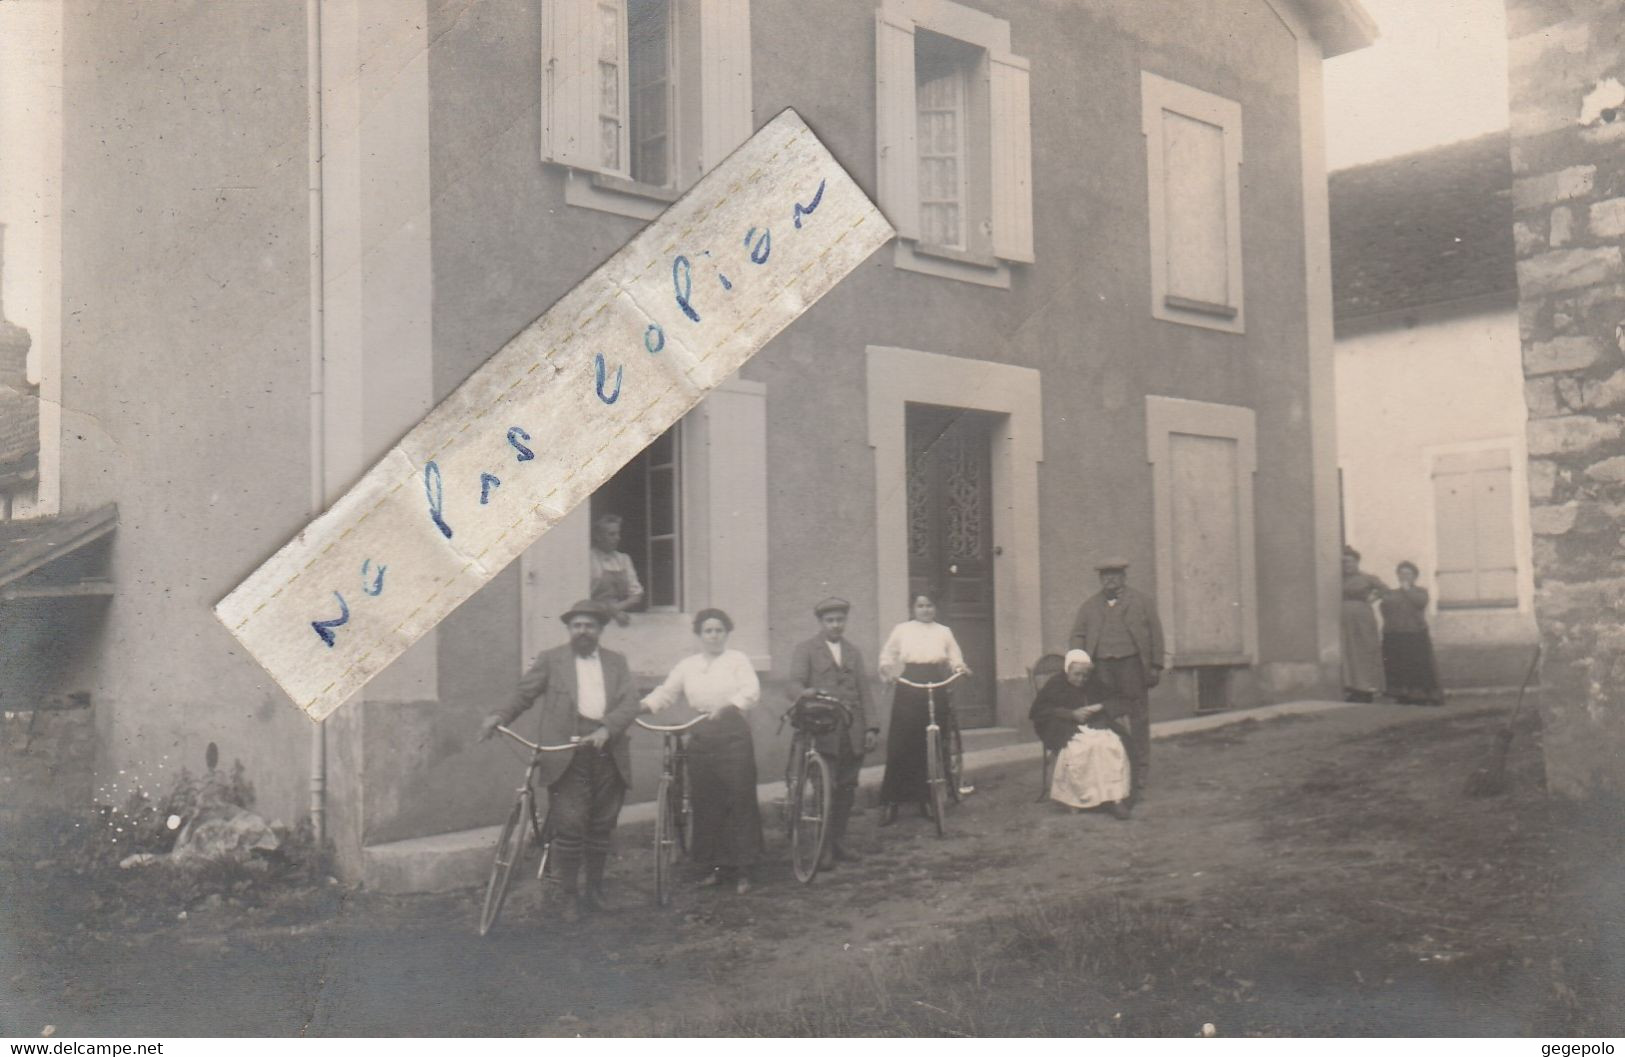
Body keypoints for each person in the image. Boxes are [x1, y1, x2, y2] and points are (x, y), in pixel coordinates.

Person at [477, 599, 640, 914]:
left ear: (600, 630)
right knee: (570, 825)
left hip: (607, 752)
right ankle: (568, 895)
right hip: (566, 754)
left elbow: (629, 703)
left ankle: (594, 890)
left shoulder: (616, 662)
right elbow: (523, 694)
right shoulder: (553, 660)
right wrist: (499, 716)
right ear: (569, 629)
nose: (582, 631)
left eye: (589, 625)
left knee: (601, 825)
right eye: (576, 625)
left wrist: (606, 729)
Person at [642, 608, 764, 894]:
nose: (713, 636)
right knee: (707, 801)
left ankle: (744, 869)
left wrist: (728, 705)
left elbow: (751, 690)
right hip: (701, 734)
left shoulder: (737, 660)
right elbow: (667, 692)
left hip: (733, 733)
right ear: (699, 634)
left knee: (739, 798)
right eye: (708, 630)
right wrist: (644, 706)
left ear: (726, 633)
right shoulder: (688, 665)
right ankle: (715, 867)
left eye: (719, 630)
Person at [784, 596, 879, 868]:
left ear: (846, 621)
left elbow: (864, 690)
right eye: (830, 620)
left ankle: (838, 842)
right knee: (826, 789)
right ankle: (822, 848)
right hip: (822, 731)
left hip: (852, 730)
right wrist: (805, 693)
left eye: (840, 620)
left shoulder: (853, 652)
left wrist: (871, 726)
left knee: (847, 790)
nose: (836, 625)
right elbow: (792, 684)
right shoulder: (806, 650)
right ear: (820, 622)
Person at [1068, 558, 1164, 800]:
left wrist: (1155, 666)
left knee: (1138, 716)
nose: (1109, 580)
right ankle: (1112, 768)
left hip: (1132, 665)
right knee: (1104, 716)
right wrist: (1078, 661)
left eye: (1115, 575)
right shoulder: (1089, 606)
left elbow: (1156, 634)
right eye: (1105, 576)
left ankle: (1140, 769)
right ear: (1100, 579)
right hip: (1101, 669)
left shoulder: (1141, 602)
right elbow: (1078, 635)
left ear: (1124, 577)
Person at [876, 590, 970, 825]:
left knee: (931, 741)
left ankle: (926, 799)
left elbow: (954, 657)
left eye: (929, 605)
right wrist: (887, 670)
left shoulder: (944, 632)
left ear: (935, 608)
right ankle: (891, 802)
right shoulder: (902, 630)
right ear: (912, 608)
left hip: (935, 680)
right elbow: (887, 655)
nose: (925, 610)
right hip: (910, 683)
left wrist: (960, 668)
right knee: (901, 742)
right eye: (920, 606)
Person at [1028, 650, 1133, 819]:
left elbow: (1118, 699)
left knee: (1111, 744)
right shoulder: (1055, 684)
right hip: (1063, 728)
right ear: (1067, 671)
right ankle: (1080, 799)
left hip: (1092, 725)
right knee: (1083, 748)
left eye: (1085, 675)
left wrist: (1100, 706)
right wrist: (1071, 714)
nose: (1081, 679)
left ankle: (1114, 799)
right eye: (1076, 674)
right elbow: (1039, 712)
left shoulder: (1093, 683)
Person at [1380, 560, 1444, 706]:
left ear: (1415, 576)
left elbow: (1420, 603)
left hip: (1415, 633)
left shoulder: (1421, 591)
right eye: (1401, 573)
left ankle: (1421, 694)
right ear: (1397, 575)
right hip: (1395, 633)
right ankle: (1402, 693)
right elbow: (1385, 609)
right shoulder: (1391, 593)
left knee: (1418, 664)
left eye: (1408, 573)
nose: (1404, 576)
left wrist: (1407, 590)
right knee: (1398, 664)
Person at [1341, 546, 1387, 703]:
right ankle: (1353, 688)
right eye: (1344, 562)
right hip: (1344, 620)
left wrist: (1372, 598)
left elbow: (1385, 589)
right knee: (1349, 651)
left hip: (1362, 618)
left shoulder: (1367, 578)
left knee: (1365, 649)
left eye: (1350, 562)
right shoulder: (1338, 579)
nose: (1347, 565)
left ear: (1357, 562)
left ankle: (1367, 688)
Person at [589, 514, 644, 626]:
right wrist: (613, 612)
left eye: (618, 533)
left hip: (621, 619)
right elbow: (585, 597)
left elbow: (636, 595)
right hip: (596, 619)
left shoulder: (623, 559)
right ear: (598, 536)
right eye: (611, 534)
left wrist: (616, 609)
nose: (617, 538)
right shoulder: (589, 558)